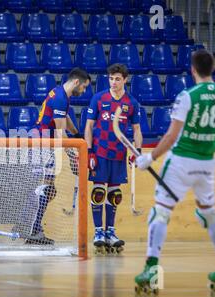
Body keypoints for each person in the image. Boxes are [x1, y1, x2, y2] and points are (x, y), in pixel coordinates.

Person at [134, 49, 215, 291]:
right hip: (206, 163)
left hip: (180, 162)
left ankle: (152, 270)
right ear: (213, 68)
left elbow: (171, 135)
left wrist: (150, 157)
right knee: (209, 213)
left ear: (192, 70)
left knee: (160, 212)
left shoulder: (188, 95)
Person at [21, 67, 91, 245]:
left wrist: (76, 134)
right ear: (76, 82)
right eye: (83, 87)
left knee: (48, 189)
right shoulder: (60, 98)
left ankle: (34, 229)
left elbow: (64, 120)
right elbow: (60, 133)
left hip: (45, 142)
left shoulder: (59, 93)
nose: (83, 91)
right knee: (46, 189)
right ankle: (32, 229)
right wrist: (73, 154)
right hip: (44, 143)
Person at [85, 63, 143, 254]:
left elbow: (136, 130)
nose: (113, 82)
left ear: (125, 80)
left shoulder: (131, 103)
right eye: (111, 78)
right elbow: (89, 126)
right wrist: (89, 151)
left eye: (117, 79)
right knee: (98, 192)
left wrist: (137, 151)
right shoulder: (99, 98)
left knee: (114, 195)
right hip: (100, 153)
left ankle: (110, 231)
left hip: (119, 154)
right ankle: (98, 232)